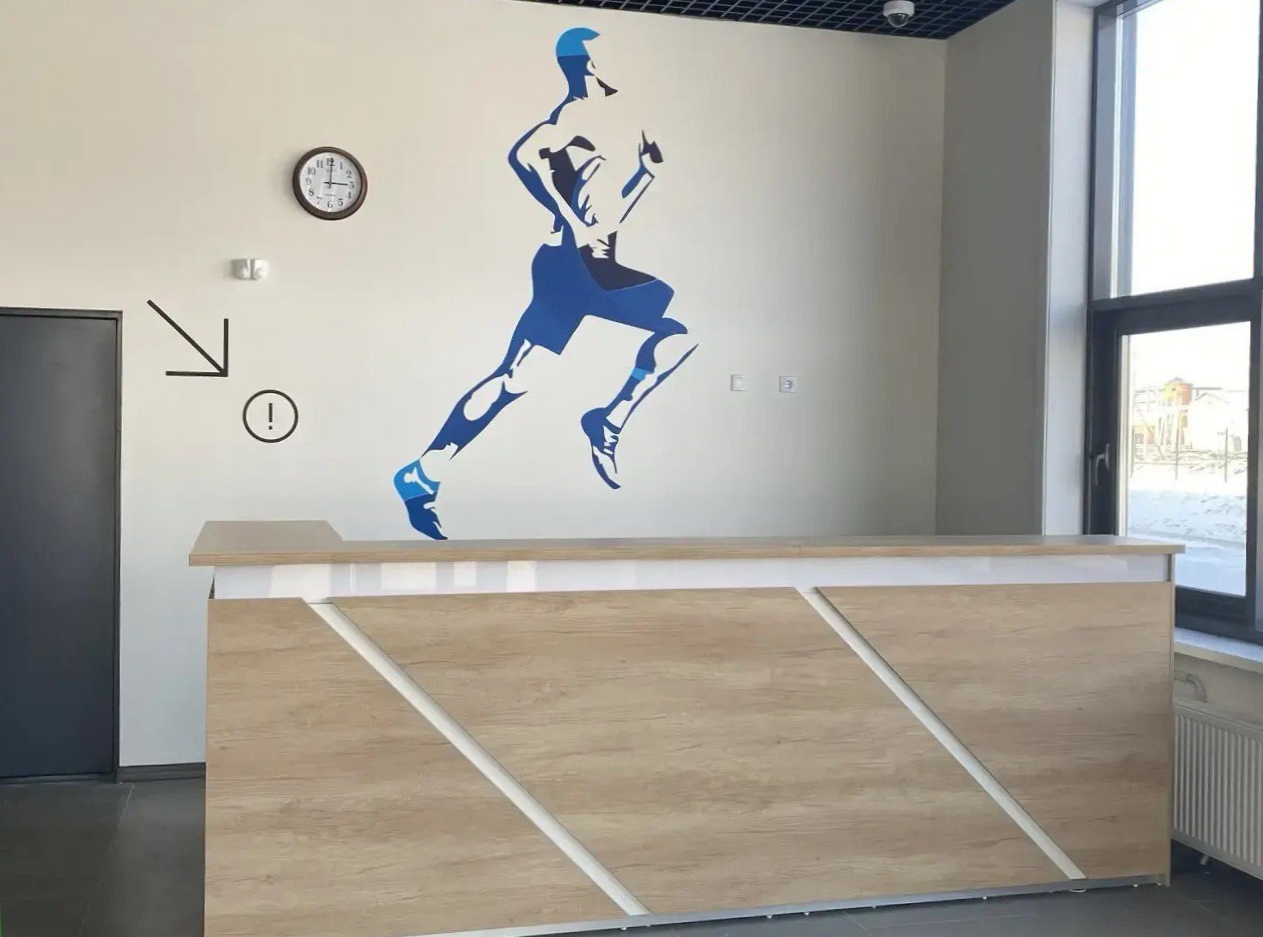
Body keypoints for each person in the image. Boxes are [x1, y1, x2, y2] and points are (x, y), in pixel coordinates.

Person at [394, 26, 697, 540]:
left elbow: (607, 220)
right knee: (682, 329)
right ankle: (607, 422)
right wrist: (570, 218)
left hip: (582, 268)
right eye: (602, 58)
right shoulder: (574, 116)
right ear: (587, 66)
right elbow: (523, 155)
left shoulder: (609, 123)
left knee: (516, 378)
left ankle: (424, 472)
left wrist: (644, 175)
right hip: (575, 266)